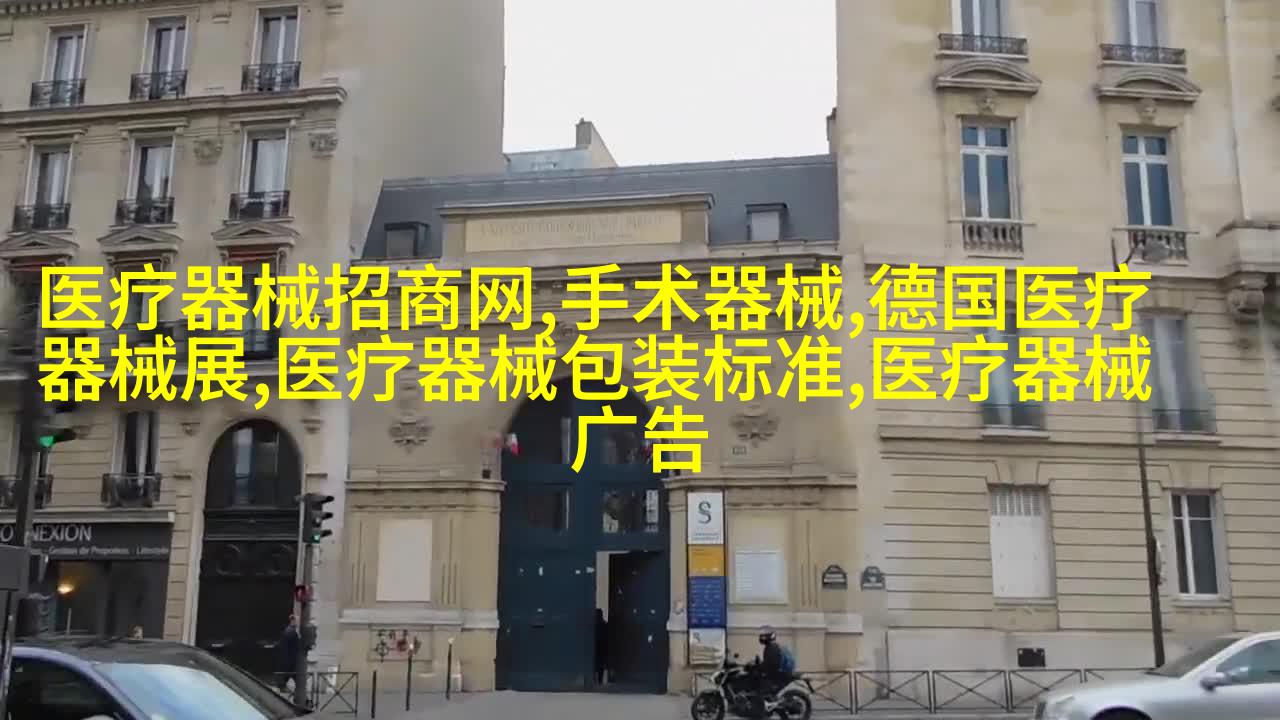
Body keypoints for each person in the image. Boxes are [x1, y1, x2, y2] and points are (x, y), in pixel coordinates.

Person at [752, 627, 793, 702]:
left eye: (764, 636)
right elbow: (769, 662)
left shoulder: (772, 647)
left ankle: (762, 702)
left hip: (778, 674)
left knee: (758, 682)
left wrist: (758, 668)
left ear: (769, 637)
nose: (762, 638)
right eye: (762, 636)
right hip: (779, 672)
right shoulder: (771, 646)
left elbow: (771, 664)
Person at [277, 614, 301, 693]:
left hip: (288, 657)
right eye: (296, 621)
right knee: (291, 673)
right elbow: (296, 645)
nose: (297, 623)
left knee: (292, 674)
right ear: (292, 621)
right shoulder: (290, 631)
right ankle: (284, 687)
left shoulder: (289, 630)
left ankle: (284, 687)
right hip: (289, 657)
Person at [593, 608, 609, 686]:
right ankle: (599, 681)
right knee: (600, 665)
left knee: (597, 665)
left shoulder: (594, 625)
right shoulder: (604, 624)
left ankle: (596, 680)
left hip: (597, 647)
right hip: (601, 647)